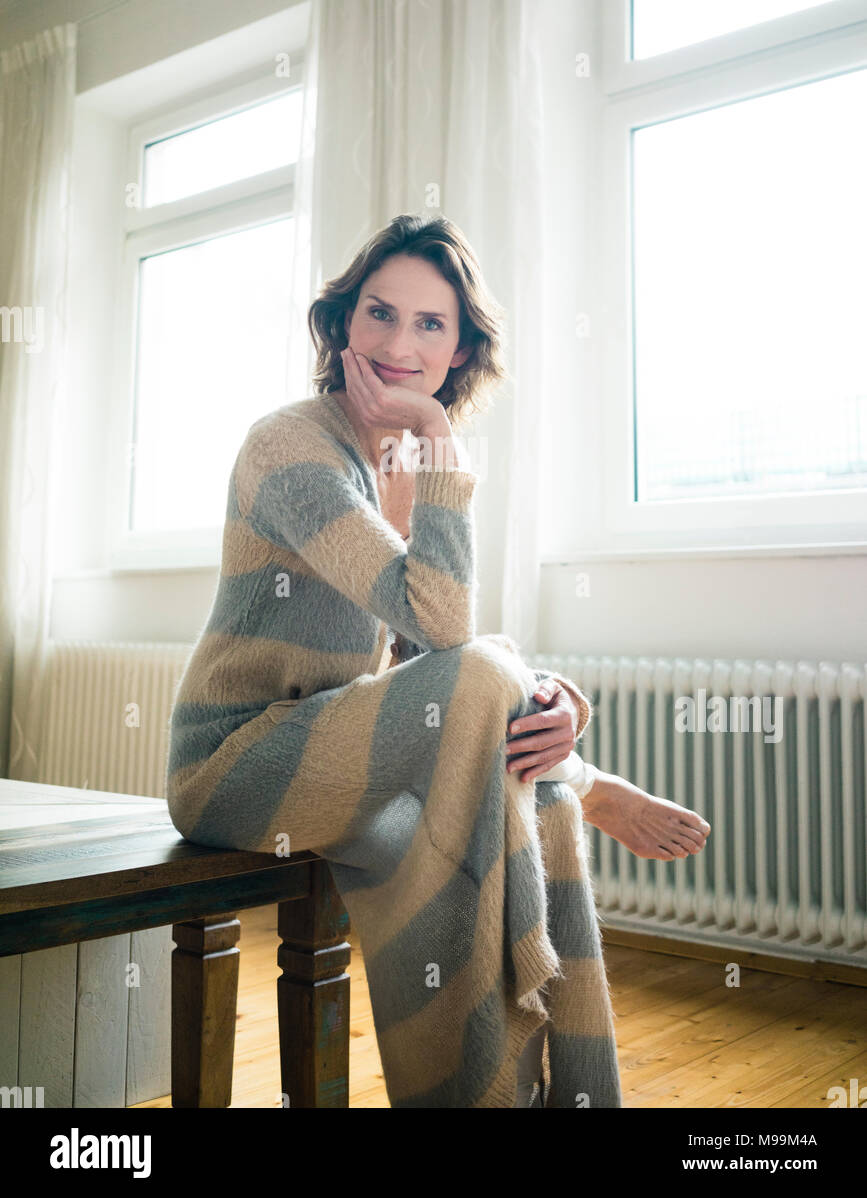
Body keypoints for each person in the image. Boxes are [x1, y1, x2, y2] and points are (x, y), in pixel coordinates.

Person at [165, 213, 710, 1108]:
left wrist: (545, 710)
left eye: (429, 325)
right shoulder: (291, 446)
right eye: (378, 314)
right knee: (490, 671)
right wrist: (439, 442)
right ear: (341, 323)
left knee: (543, 801)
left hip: (331, 763)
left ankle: (549, 1093)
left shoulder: (408, 463)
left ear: (459, 350)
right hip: (236, 765)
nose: (397, 343)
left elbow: (431, 661)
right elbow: (451, 630)